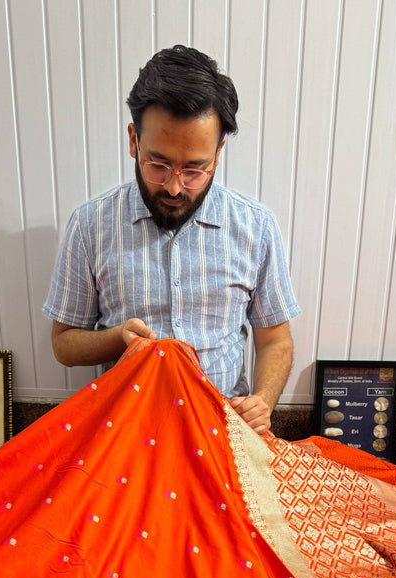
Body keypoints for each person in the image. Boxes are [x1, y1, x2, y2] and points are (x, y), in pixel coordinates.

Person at [43, 45, 298, 436]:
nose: (175, 187)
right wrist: (117, 339)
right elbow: (64, 344)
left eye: (195, 169)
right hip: (125, 430)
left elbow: (275, 341)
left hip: (223, 428)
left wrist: (262, 401)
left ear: (218, 153)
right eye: (157, 164)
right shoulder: (90, 225)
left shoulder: (255, 226)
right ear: (134, 141)